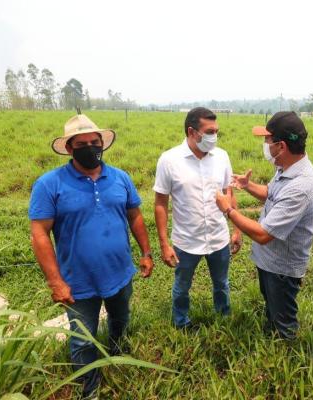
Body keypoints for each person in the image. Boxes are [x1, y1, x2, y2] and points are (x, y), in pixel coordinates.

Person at [29, 114, 153, 398]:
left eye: (95, 142)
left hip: (120, 272)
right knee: (83, 338)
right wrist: (55, 281)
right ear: (70, 148)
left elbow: (134, 216)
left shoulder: (120, 177)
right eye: (82, 143)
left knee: (120, 318)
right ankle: (90, 389)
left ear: (103, 144)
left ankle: (118, 353)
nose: (90, 147)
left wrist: (146, 253)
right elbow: (39, 234)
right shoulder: (50, 184)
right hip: (78, 280)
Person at [215, 111, 313, 340]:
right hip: (270, 261)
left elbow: (263, 234)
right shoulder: (287, 168)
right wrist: (248, 185)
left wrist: (228, 210)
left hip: (282, 267)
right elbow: (272, 195)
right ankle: (273, 331)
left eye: (267, 140)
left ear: (281, 146)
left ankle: (285, 352)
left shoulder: (302, 186)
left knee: (283, 317)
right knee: (272, 306)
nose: (265, 145)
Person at [153, 107, 242, 329]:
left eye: (216, 131)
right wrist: (164, 244)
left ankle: (223, 317)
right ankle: (181, 322)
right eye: (209, 132)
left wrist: (237, 229)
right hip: (186, 241)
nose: (215, 137)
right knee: (182, 286)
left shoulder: (222, 157)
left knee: (221, 283)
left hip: (218, 237)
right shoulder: (169, 160)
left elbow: (229, 192)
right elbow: (160, 203)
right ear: (192, 132)